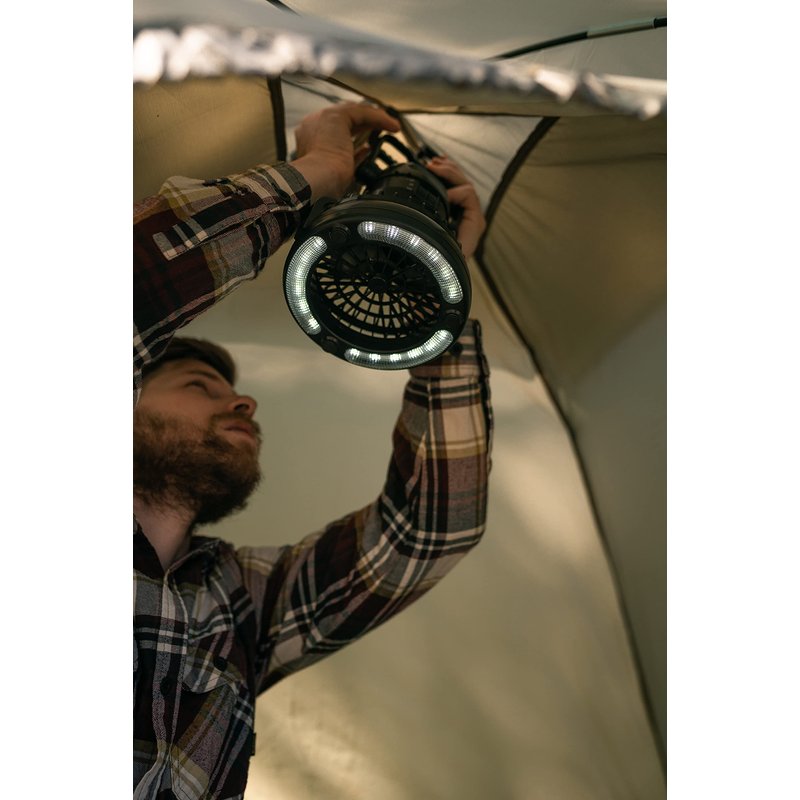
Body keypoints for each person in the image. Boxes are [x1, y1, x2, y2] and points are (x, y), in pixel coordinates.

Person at [133, 102, 493, 799]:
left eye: (236, 393)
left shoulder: (243, 603)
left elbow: (429, 531)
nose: (244, 403)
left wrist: (437, 295)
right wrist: (317, 172)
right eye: (200, 385)